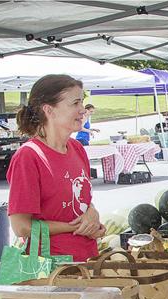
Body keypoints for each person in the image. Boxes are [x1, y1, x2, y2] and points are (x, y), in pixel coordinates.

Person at [7, 74, 105, 261]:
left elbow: (80, 203)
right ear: (49, 110)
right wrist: (75, 227)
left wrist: (92, 215)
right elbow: (21, 227)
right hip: (51, 272)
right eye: (75, 103)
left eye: (82, 102)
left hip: (87, 262)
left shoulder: (76, 148)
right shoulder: (28, 156)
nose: (82, 110)